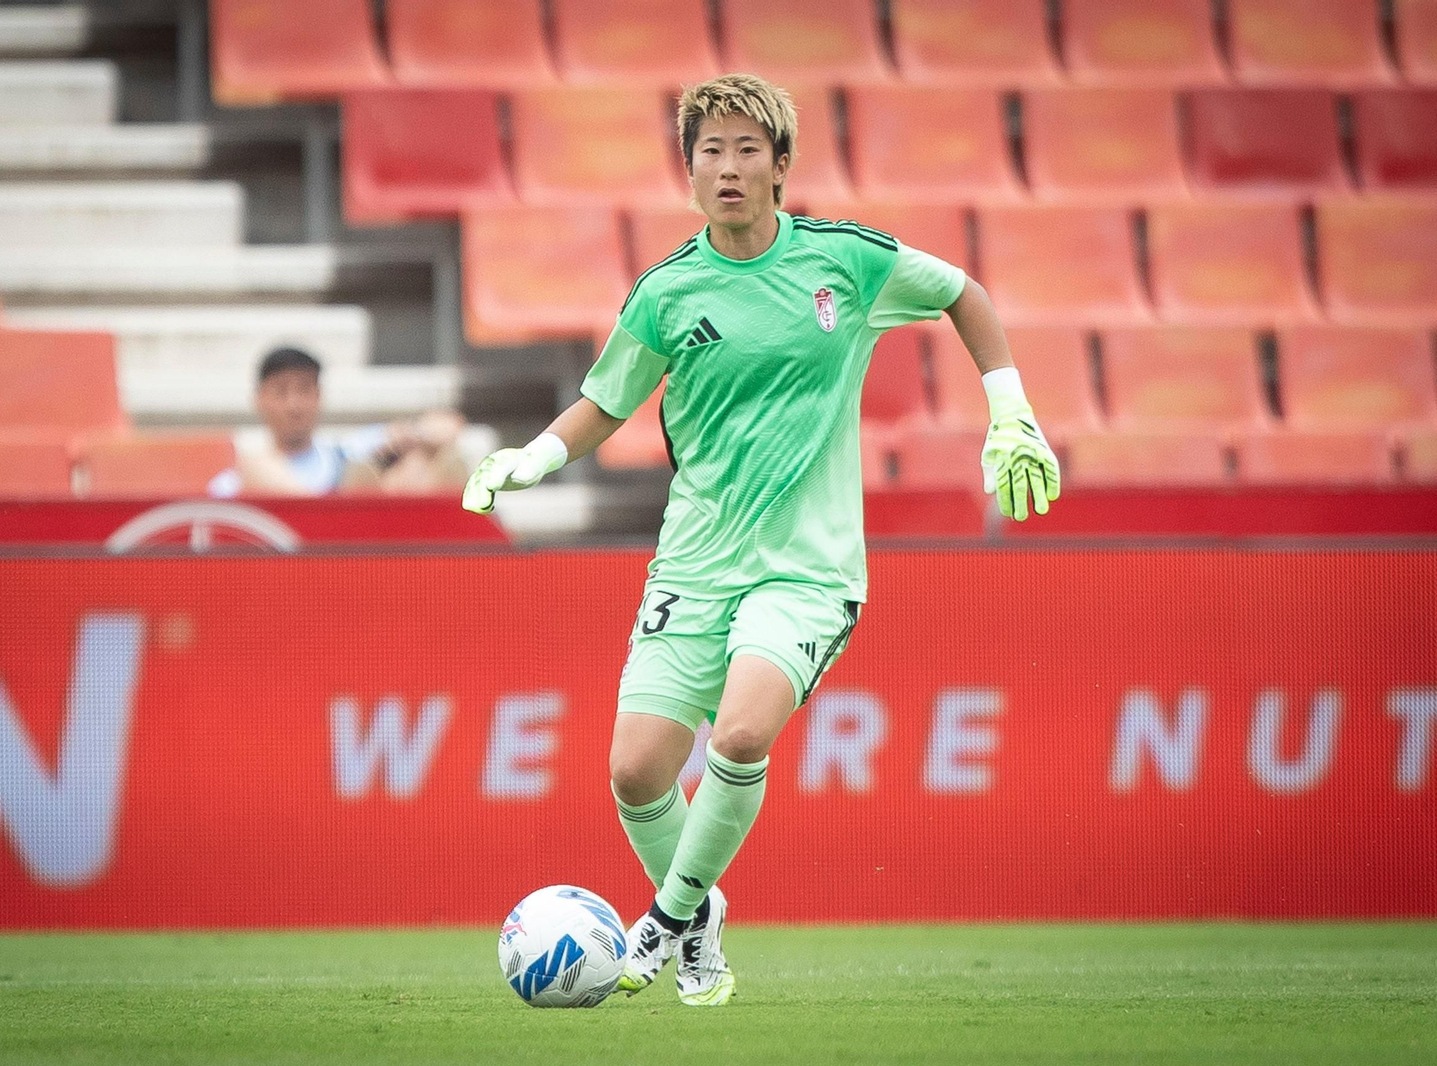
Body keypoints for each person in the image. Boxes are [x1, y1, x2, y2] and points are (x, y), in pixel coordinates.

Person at [462, 74, 1061, 1006]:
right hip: (694, 564)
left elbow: (963, 293)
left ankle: (666, 921)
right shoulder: (667, 292)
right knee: (634, 771)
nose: (729, 167)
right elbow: (605, 400)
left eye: (748, 150)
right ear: (689, 170)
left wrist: (1010, 411)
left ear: (782, 167)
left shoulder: (846, 263)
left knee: (740, 732)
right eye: (711, 151)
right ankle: (704, 926)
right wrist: (535, 456)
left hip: (808, 569)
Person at [209, 346, 468, 497]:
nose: (294, 405)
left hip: (354, 555)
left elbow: (446, 427)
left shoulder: (346, 451)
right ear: (260, 399)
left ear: (318, 395)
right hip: (293, 565)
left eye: (304, 390)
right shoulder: (237, 478)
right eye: (281, 392)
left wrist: (409, 435)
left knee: (427, 460)